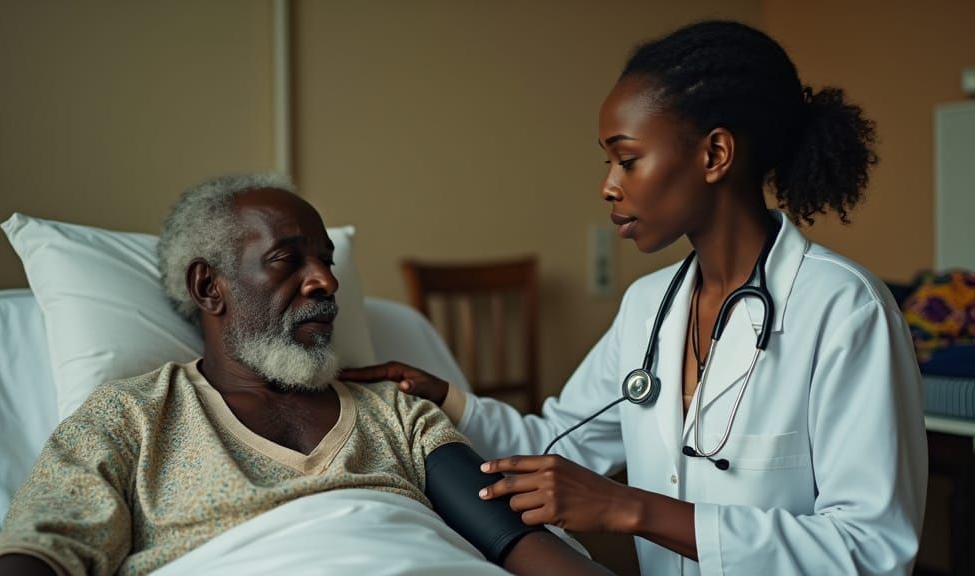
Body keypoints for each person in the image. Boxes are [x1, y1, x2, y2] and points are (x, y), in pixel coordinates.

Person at [341, 20, 928, 575]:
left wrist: (630, 509)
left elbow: (871, 550)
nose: (608, 185)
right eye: (608, 162)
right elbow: (558, 443)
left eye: (627, 159)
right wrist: (441, 396)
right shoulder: (650, 306)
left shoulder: (845, 310)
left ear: (714, 155)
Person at [0, 174, 611, 576]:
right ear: (208, 286)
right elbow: (44, 547)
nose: (325, 280)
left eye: (327, 261)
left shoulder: (396, 410)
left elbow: (512, 539)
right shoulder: (132, 418)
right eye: (287, 260)